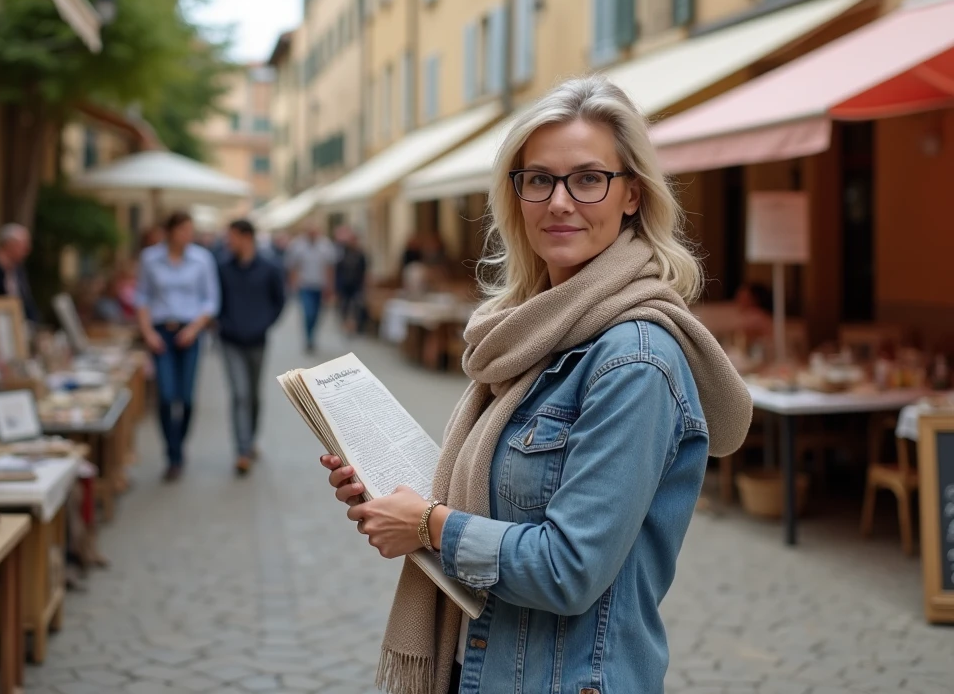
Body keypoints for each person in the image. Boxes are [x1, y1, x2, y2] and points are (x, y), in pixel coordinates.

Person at [319, 76, 752, 694]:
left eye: (587, 178)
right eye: (538, 179)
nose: (559, 201)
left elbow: (571, 569)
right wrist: (393, 497)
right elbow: (499, 497)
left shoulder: (633, 359)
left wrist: (430, 525)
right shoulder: (534, 331)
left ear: (632, 194)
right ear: (515, 195)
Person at [135, 211, 220, 481]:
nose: (188, 235)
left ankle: (178, 445)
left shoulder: (202, 259)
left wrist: (194, 328)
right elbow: (142, 297)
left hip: (190, 332)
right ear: (170, 231)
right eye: (183, 230)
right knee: (166, 395)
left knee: (186, 398)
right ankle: (173, 455)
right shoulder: (150, 258)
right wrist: (148, 332)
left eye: (190, 230)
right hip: (161, 333)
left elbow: (211, 300)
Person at [217, 219, 286, 475]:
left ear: (246, 237)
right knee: (240, 394)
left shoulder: (269, 267)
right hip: (230, 340)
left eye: (232, 236)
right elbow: (216, 300)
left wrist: (264, 323)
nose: (228, 242)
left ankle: (251, 438)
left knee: (254, 395)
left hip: (257, 340)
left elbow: (280, 300)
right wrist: (223, 324)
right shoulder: (223, 267)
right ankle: (242, 450)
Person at [285, 222, 336, 353]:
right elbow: (292, 266)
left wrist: (330, 287)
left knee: (317, 314)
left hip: (320, 285)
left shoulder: (326, 245)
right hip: (305, 285)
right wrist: (293, 283)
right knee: (308, 313)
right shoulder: (297, 245)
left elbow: (330, 267)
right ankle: (308, 339)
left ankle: (312, 336)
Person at [334, 226, 368, 336]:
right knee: (344, 306)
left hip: (356, 284)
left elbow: (364, 270)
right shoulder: (342, 253)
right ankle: (346, 324)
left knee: (356, 306)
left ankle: (353, 325)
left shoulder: (360, 254)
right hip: (344, 284)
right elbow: (337, 270)